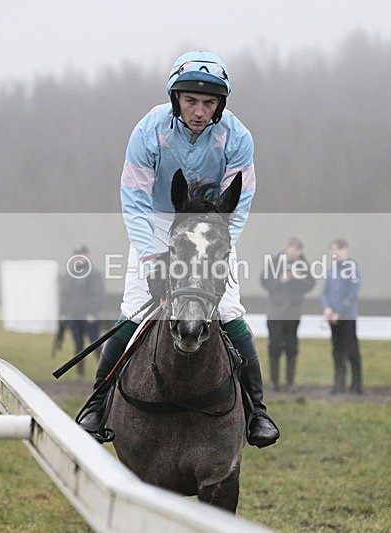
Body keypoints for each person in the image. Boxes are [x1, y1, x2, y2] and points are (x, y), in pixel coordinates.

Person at [78, 50, 279, 448]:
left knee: (228, 309)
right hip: (155, 223)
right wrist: (154, 261)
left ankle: (257, 411)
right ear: (175, 99)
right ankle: (96, 404)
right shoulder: (148, 131)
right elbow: (133, 200)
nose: (199, 111)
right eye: (191, 101)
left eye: (209, 103)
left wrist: (215, 253)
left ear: (220, 104)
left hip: (212, 227)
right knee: (134, 308)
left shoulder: (238, 138)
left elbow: (239, 203)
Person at [261, 237, 315, 392]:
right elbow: (265, 282)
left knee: (292, 347)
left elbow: (310, 284)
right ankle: (274, 382)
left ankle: (290, 382)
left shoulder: (303, 264)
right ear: (287, 247)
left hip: (293, 312)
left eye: (298, 250)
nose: (295, 253)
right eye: (293, 249)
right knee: (274, 346)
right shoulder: (275, 261)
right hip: (275, 312)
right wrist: (281, 280)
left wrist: (297, 279)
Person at [321, 238, 363, 394]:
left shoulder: (352, 269)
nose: (335, 253)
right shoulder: (331, 271)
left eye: (338, 249)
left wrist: (339, 312)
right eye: (333, 249)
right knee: (337, 351)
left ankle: (356, 386)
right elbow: (325, 293)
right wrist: (327, 309)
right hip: (333, 319)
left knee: (352, 351)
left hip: (347, 318)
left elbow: (352, 294)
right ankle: (339, 384)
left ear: (345, 250)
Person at [58, 245, 105, 376]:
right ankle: (80, 374)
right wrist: (62, 312)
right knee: (78, 345)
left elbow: (97, 294)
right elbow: (64, 294)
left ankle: (104, 371)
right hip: (74, 315)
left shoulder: (95, 273)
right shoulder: (70, 274)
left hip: (89, 316)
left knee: (95, 344)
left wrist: (92, 312)